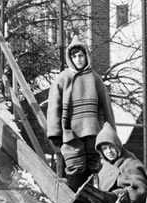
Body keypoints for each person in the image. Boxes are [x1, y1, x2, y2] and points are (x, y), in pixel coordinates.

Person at [46, 35, 116, 191]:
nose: (78, 59)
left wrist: (111, 132)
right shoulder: (63, 78)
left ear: (86, 56)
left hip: (92, 131)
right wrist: (54, 133)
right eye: (74, 56)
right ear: (70, 58)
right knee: (75, 165)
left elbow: (106, 108)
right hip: (71, 132)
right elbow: (54, 107)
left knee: (92, 165)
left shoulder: (95, 78)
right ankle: (73, 199)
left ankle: (89, 202)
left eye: (81, 56)